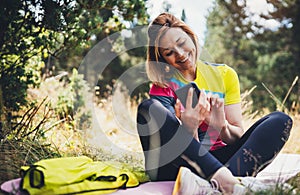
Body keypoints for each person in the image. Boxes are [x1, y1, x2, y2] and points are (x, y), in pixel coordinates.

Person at [136, 12, 293, 194]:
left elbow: (236, 135)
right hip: (176, 167)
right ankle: (227, 183)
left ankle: (218, 184)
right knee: (147, 108)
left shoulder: (225, 75)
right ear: (163, 59)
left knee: (280, 120)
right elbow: (172, 147)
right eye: (169, 52)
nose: (180, 54)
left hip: (218, 159)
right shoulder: (163, 85)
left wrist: (221, 127)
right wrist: (190, 127)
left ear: (190, 35)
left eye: (180, 43)